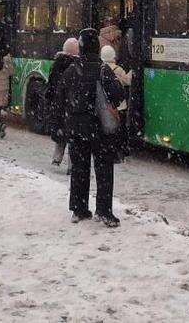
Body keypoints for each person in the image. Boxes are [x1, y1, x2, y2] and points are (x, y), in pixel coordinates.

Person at [61, 28, 125, 227]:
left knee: (80, 168)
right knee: (104, 169)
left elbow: (60, 97)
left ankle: (79, 210)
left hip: (78, 128)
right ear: (97, 48)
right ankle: (104, 212)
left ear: (80, 47)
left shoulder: (72, 69)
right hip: (100, 129)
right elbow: (118, 95)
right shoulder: (103, 69)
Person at [45, 38, 79, 166]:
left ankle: (57, 157)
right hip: (72, 104)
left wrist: (51, 102)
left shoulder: (57, 64)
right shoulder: (77, 66)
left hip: (59, 104)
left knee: (60, 130)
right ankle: (72, 164)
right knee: (73, 135)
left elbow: (51, 85)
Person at [100, 45, 132, 162]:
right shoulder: (118, 69)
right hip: (119, 105)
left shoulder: (101, 68)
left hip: (107, 106)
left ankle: (109, 150)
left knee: (109, 129)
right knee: (120, 128)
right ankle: (120, 151)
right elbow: (128, 81)